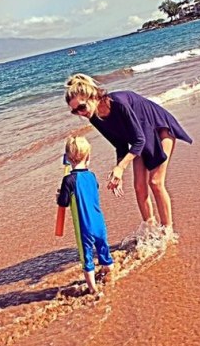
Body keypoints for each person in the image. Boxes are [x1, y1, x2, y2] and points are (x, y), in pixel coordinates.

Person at [64, 73, 192, 231]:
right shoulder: (94, 118)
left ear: (92, 96)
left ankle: (168, 230)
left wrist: (121, 168)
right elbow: (120, 145)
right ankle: (150, 229)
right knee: (139, 186)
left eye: (82, 107)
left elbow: (139, 140)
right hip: (141, 138)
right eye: (75, 111)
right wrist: (119, 172)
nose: (81, 113)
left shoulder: (118, 102)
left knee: (155, 182)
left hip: (160, 128)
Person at [57, 135, 113, 294]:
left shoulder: (68, 180)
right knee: (104, 251)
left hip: (85, 228)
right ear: (88, 158)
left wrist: (59, 195)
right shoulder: (92, 176)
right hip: (99, 224)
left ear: (68, 158)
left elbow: (63, 202)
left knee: (87, 259)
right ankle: (108, 271)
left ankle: (93, 290)